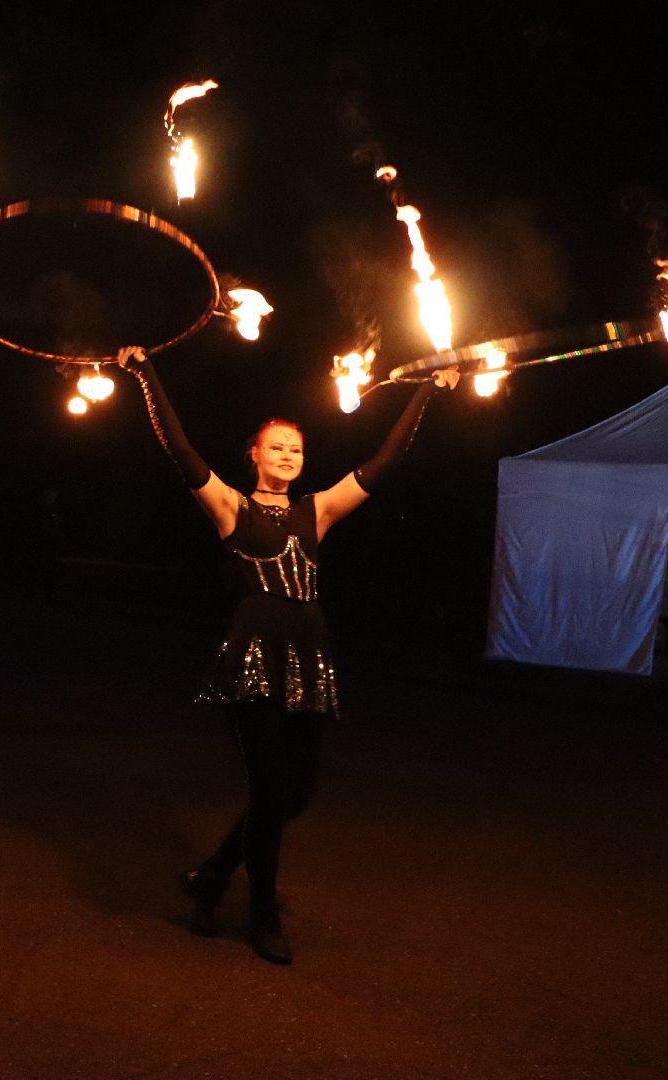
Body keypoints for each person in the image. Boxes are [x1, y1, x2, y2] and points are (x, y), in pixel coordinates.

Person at [115, 345, 457, 964]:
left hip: (306, 656)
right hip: (252, 656)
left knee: (293, 795)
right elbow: (178, 447)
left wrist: (426, 391)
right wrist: (146, 374)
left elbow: (386, 461)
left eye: (296, 447)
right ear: (254, 454)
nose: (288, 454)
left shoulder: (316, 513)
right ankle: (263, 911)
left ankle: (214, 876)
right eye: (276, 445)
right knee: (270, 791)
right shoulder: (230, 507)